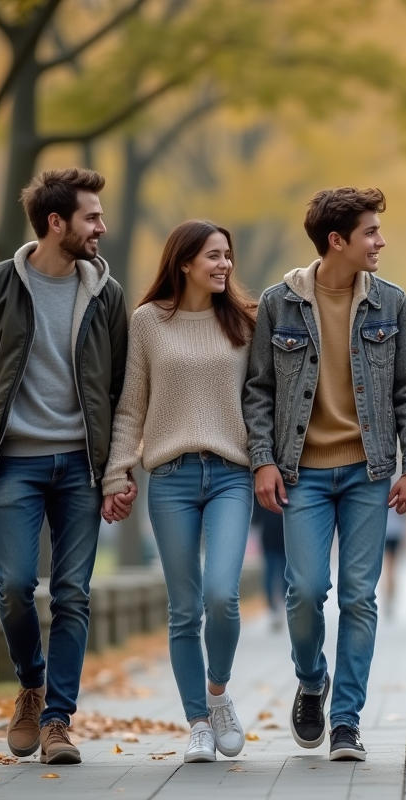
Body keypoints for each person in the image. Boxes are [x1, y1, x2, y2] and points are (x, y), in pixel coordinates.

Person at [0, 167, 133, 766]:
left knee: (73, 593)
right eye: (91, 217)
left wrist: (118, 471)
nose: (101, 227)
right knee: (14, 588)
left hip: (82, 467)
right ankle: (31, 684)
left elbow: (123, 391)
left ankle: (57, 720)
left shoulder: (106, 293)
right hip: (15, 466)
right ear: (56, 223)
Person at [243, 187, 406, 762]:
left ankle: (346, 721)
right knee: (304, 591)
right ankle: (311, 680)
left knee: (358, 596)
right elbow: (258, 390)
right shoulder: (278, 304)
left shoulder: (391, 303)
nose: (380, 241)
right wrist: (263, 460)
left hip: (367, 471)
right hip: (301, 473)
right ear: (337, 241)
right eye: (370, 232)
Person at [103, 220, 255, 764]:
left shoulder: (245, 322)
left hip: (231, 473)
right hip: (170, 478)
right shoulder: (148, 322)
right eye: (213, 255)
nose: (224, 264)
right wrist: (117, 473)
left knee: (222, 595)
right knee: (184, 608)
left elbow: (262, 402)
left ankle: (217, 694)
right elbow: (131, 407)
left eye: (227, 255)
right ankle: (197, 724)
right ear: (184, 262)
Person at [253, 497, 287, 632]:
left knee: (275, 574)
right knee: (278, 575)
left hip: (276, 537)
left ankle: (276, 608)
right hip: (279, 537)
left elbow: (256, 517)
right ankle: (277, 608)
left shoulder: (263, 490)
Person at [381, 501, 405, 619]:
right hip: (396, 531)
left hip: (385, 531)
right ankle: (390, 600)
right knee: (392, 568)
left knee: (387, 568)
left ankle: (387, 599)